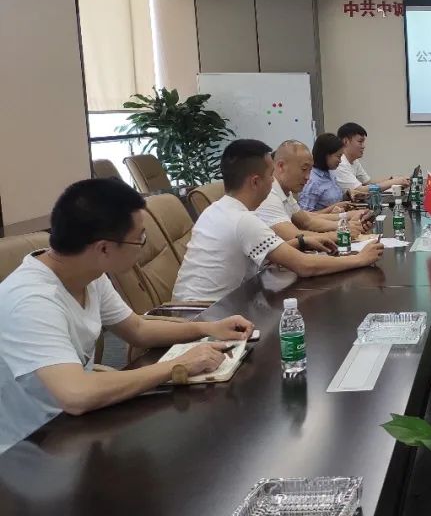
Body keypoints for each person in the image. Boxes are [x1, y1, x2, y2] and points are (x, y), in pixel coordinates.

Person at [0, 179, 255, 453]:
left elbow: (137, 329)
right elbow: (77, 394)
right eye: (139, 238)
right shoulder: (32, 301)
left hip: (76, 428)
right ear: (104, 248)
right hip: (30, 450)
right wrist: (178, 365)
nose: (143, 245)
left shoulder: (88, 272)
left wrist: (208, 328)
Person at [173, 139, 384, 303]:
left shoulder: (218, 209)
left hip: (214, 307)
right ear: (255, 182)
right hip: (208, 316)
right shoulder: (242, 220)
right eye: (270, 175)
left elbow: (267, 251)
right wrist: (360, 259)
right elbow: (304, 266)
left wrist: (302, 241)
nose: (273, 181)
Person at [256, 140, 372, 244]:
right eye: (304, 169)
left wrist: (346, 222)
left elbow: (308, 221)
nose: (308, 177)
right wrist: (342, 232)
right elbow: (294, 236)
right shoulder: (268, 195)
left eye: (310, 170)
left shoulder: (285, 191)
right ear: (281, 166)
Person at [333, 122, 410, 198]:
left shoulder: (354, 161)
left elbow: (368, 183)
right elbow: (359, 191)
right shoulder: (340, 163)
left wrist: (392, 179)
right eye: (360, 142)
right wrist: (393, 182)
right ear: (346, 141)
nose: (363, 146)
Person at [299, 133, 352, 212]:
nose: (340, 161)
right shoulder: (312, 181)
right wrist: (332, 209)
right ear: (326, 155)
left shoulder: (330, 173)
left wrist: (348, 195)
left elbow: (333, 200)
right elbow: (305, 215)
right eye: (338, 156)